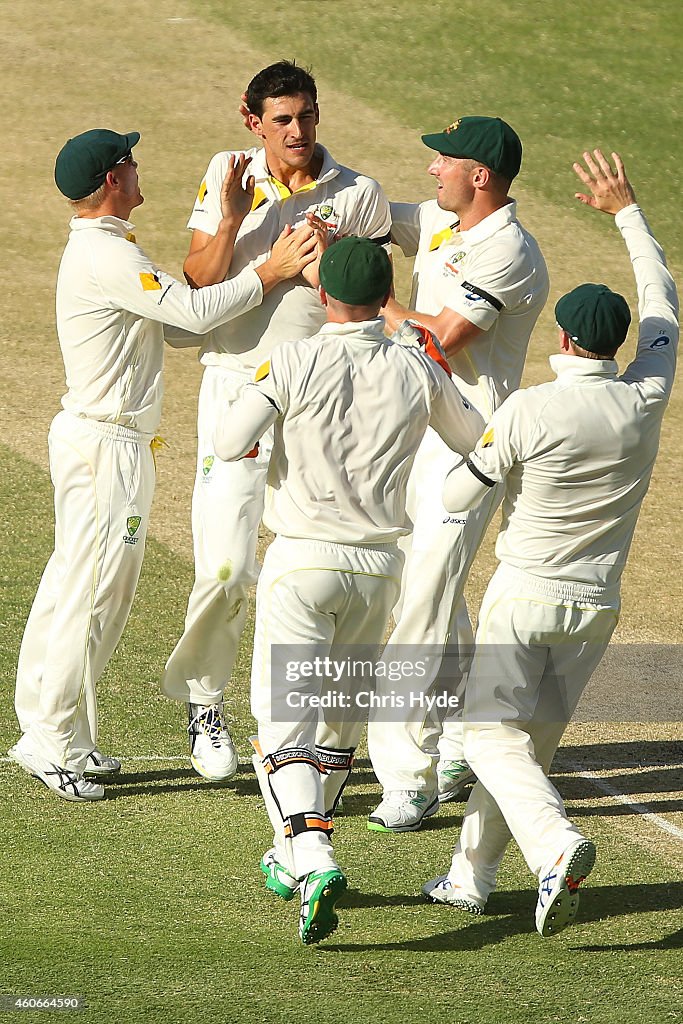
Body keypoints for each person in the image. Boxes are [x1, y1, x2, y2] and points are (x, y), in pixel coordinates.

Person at [8, 128, 317, 803]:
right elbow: (191, 310)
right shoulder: (107, 256)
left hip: (111, 444)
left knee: (79, 589)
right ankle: (52, 743)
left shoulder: (112, 251)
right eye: (131, 161)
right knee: (91, 594)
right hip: (106, 446)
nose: (140, 166)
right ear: (114, 180)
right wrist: (271, 271)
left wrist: (236, 236)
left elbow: (180, 326)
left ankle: (56, 733)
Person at [422, 151, 678, 937]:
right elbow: (663, 305)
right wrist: (626, 213)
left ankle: (554, 842)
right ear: (616, 345)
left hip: (523, 599)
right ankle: (471, 878)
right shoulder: (646, 395)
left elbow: (456, 494)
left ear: (565, 336)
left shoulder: (530, 410)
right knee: (521, 748)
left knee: (487, 737)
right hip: (594, 609)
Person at [212, 236, 484, 943]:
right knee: (333, 731)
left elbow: (226, 441)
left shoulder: (295, 357)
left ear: (322, 295)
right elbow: (477, 443)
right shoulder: (415, 366)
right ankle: (290, 852)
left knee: (283, 730)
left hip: (302, 565)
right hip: (376, 574)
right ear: (382, 293)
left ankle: (311, 851)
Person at [160, 60, 393, 783]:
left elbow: (370, 300)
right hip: (235, 387)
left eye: (308, 115)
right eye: (284, 118)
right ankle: (205, 703)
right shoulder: (225, 172)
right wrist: (234, 218)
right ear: (251, 118)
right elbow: (198, 283)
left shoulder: (358, 195)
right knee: (226, 566)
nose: (299, 131)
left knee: (315, 571)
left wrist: (315, 267)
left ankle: (312, 737)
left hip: (319, 402)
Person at [366, 115, 550, 831]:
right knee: (434, 597)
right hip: (419, 436)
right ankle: (451, 742)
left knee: (420, 606)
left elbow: (441, 338)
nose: (431, 171)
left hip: (468, 449)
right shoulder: (446, 224)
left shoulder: (507, 251)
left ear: (479, 175)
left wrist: (366, 298)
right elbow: (378, 211)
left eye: (443, 161)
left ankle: (405, 777)